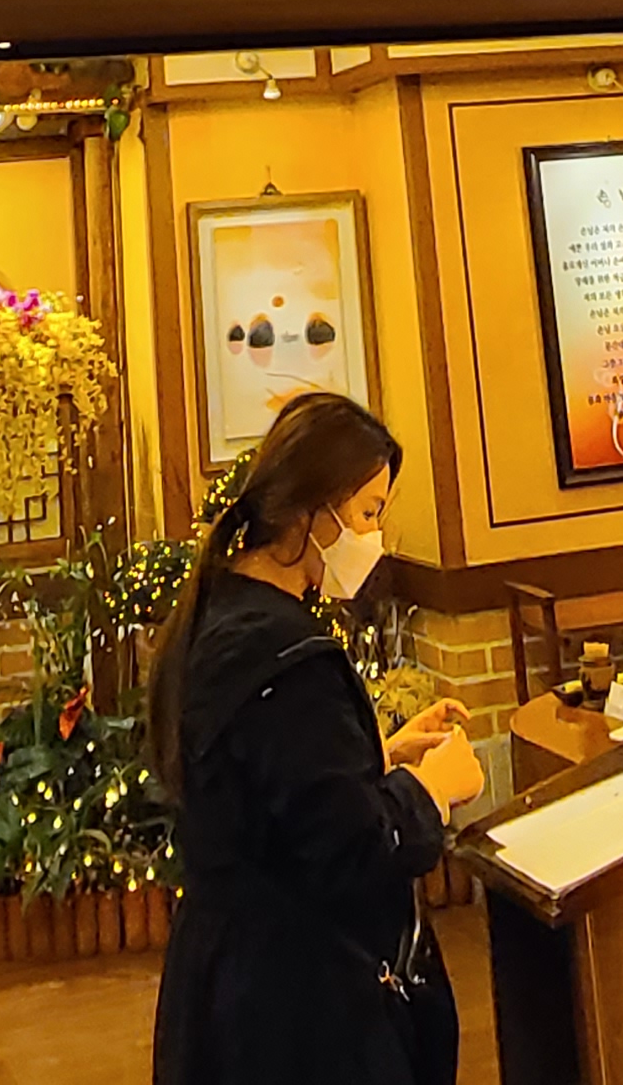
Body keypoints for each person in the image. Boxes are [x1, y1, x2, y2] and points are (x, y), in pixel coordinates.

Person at [148, 392, 490, 1085]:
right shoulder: (280, 652)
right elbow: (351, 851)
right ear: (311, 511)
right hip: (297, 1009)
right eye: (366, 514)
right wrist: (430, 790)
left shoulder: (223, 612)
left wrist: (379, 755)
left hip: (233, 982)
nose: (375, 537)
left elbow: (271, 792)